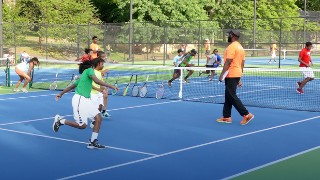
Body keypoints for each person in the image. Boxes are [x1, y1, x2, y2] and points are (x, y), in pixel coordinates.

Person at [53, 60, 119, 149]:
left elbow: (72, 86)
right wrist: (111, 86)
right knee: (82, 125)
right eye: (102, 64)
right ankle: (60, 120)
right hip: (80, 99)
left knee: (98, 117)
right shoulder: (89, 70)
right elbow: (97, 81)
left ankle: (93, 142)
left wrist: (61, 93)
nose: (103, 65)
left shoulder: (84, 76)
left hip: (86, 100)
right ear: (93, 65)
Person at [217, 29, 254, 125]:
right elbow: (242, 64)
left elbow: (228, 62)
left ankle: (246, 114)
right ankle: (226, 116)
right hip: (237, 73)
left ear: (232, 36)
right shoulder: (240, 47)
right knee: (228, 95)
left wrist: (221, 75)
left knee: (231, 95)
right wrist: (239, 78)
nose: (228, 36)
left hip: (231, 73)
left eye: (229, 34)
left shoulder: (231, 47)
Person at [96, 51, 111, 118]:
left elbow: (99, 73)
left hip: (100, 83)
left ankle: (103, 112)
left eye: (104, 56)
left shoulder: (101, 64)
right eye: (102, 56)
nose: (104, 58)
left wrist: (102, 73)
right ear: (98, 57)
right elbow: (95, 72)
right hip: (96, 84)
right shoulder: (96, 63)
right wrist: (104, 71)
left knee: (105, 95)